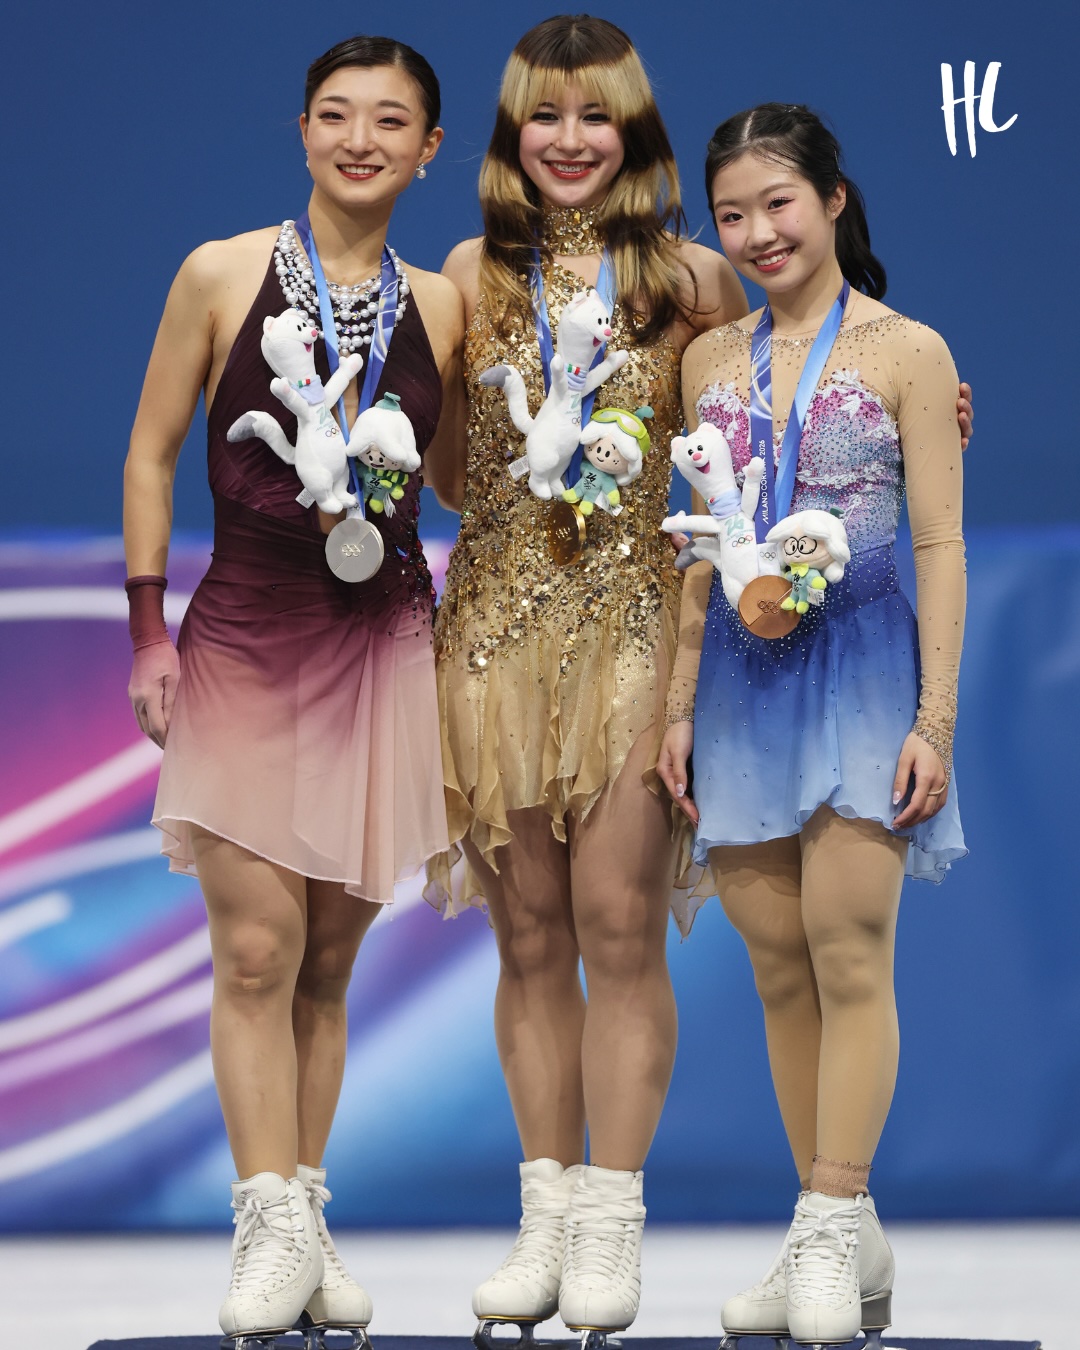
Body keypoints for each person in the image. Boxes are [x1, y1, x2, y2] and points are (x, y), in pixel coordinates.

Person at [122, 36, 462, 1344]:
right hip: (246, 640)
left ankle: (308, 1215)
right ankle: (262, 1212)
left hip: (386, 650)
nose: (360, 138)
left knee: (329, 959)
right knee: (256, 946)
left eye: (390, 120)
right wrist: (147, 632)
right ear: (303, 130)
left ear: (430, 148)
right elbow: (153, 453)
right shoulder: (220, 272)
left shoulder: (450, 302)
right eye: (336, 114)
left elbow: (468, 485)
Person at [422, 15, 749, 1340]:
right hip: (493, 637)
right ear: (512, 133)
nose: (568, 140)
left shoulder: (694, 281)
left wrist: (919, 405)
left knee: (617, 930)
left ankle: (613, 1219)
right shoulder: (465, 273)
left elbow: (764, 423)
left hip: (632, 636)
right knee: (529, 937)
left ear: (635, 130)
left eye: (594, 115)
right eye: (543, 116)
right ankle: (544, 1216)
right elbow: (442, 472)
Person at [657, 103, 967, 1347]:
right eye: (731, 214)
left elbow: (941, 543)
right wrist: (676, 709)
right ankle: (835, 1222)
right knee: (779, 966)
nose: (756, 232)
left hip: (864, 677)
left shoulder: (909, 351)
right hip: (740, 683)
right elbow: (698, 551)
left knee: (849, 952)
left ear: (835, 200)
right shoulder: (706, 363)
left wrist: (934, 719)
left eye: (779, 202)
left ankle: (831, 1235)